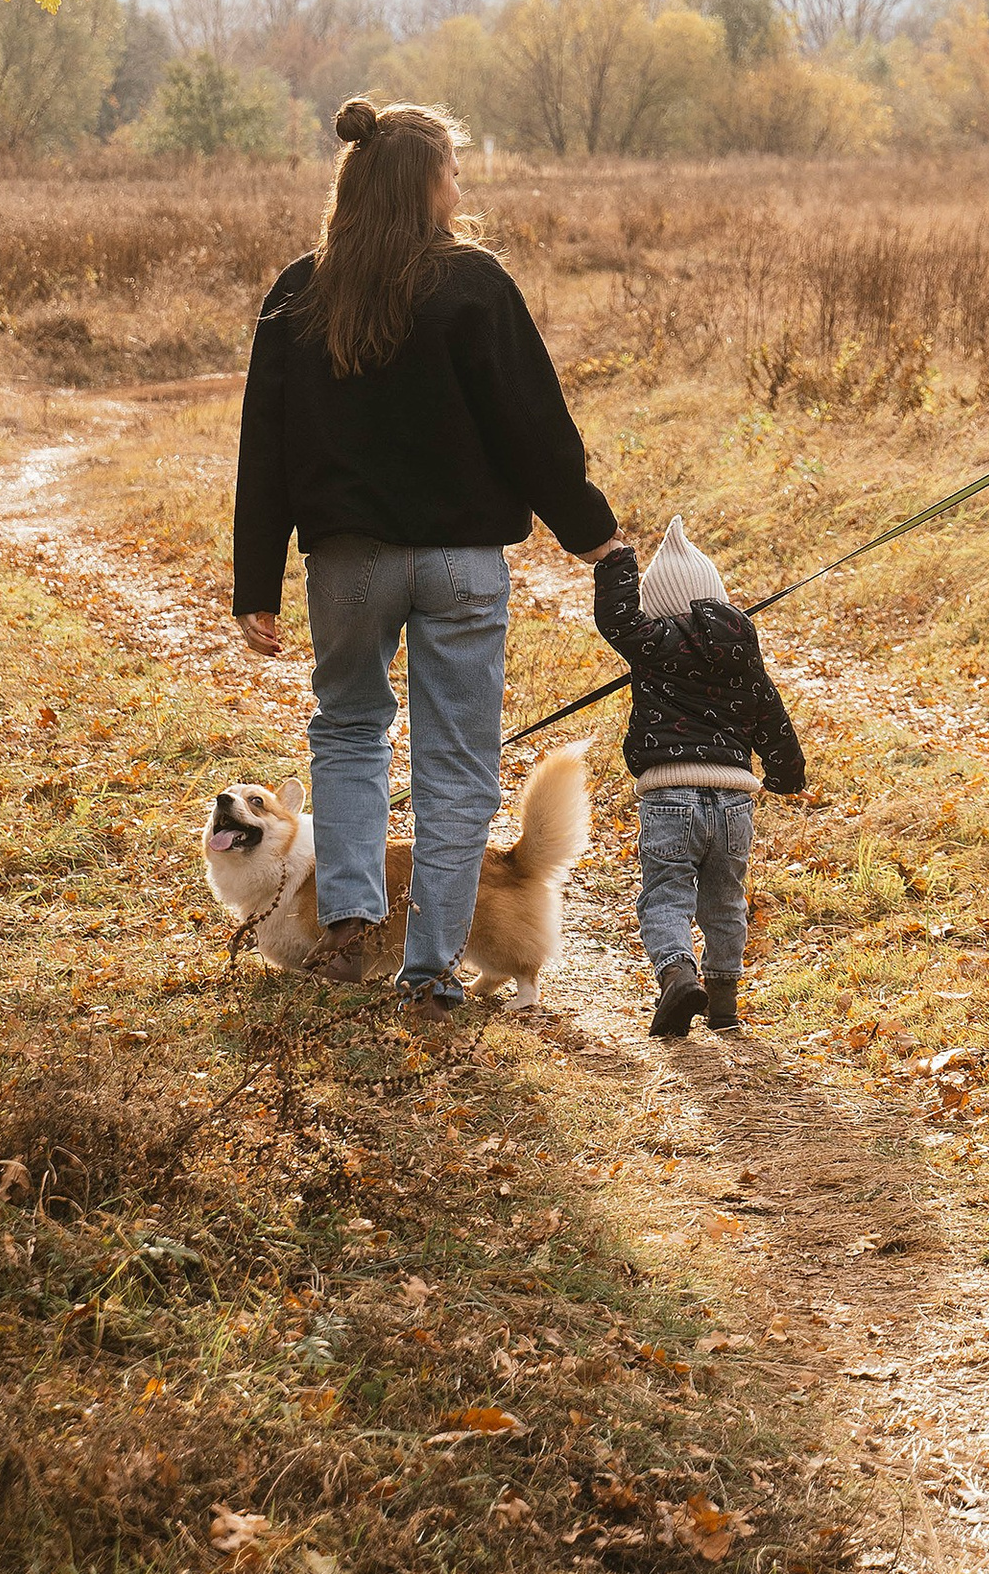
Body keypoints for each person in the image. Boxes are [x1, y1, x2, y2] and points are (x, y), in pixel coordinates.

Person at [230, 98, 623, 1010]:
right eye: (453, 170)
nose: (461, 186)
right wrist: (594, 533)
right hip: (461, 566)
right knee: (456, 765)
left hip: (348, 565)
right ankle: (432, 968)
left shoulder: (301, 289)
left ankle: (355, 923)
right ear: (427, 184)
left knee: (351, 730)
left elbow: (266, 443)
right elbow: (534, 429)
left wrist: (257, 579)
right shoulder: (475, 283)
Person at [592, 513, 807, 1039]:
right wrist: (784, 773)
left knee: (664, 895)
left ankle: (677, 976)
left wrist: (616, 560)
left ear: (658, 606)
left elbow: (616, 620)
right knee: (725, 900)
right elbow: (771, 718)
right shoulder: (743, 655)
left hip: (669, 794)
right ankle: (725, 1004)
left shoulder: (652, 643)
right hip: (734, 801)